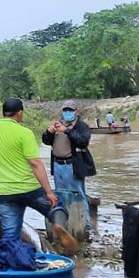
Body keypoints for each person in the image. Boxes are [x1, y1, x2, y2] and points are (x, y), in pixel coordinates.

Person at [0, 98, 79, 254]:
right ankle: (58, 225)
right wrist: (49, 192)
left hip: (5, 193)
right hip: (30, 189)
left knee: (10, 237)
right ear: (19, 113)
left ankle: (12, 263)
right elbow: (35, 164)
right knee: (57, 207)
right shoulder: (24, 133)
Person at [42, 100, 96, 236]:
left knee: (78, 194)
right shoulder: (58, 125)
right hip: (57, 165)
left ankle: (85, 226)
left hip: (72, 165)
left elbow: (83, 141)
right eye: (65, 110)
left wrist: (66, 130)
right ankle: (64, 224)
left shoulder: (81, 126)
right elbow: (46, 141)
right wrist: (49, 132)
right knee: (60, 195)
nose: (67, 113)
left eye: (70, 110)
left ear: (76, 112)